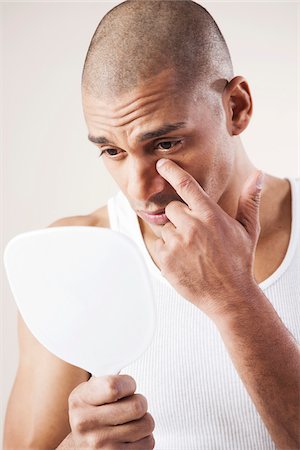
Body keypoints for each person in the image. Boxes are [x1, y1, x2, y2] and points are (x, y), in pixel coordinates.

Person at [4, 1, 299, 449]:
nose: (140, 190)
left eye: (164, 143)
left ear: (235, 108)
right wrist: (80, 447)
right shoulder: (75, 256)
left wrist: (234, 297)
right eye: (112, 151)